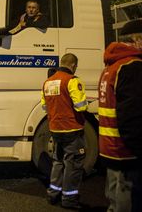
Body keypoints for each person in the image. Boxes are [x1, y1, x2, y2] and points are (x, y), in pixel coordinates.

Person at [98, 19, 142, 212]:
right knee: (129, 203)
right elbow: (133, 115)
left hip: (110, 148)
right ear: (137, 39)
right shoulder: (133, 66)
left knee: (115, 201)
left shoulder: (110, 67)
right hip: (127, 151)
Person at [41, 53, 88, 209]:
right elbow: (81, 106)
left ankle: (53, 194)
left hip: (55, 129)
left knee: (58, 162)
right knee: (73, 164)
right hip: (72, 129)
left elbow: (44, 106)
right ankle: (69, 199)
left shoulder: (48, 82)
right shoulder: (72, 80)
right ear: (73, 65)